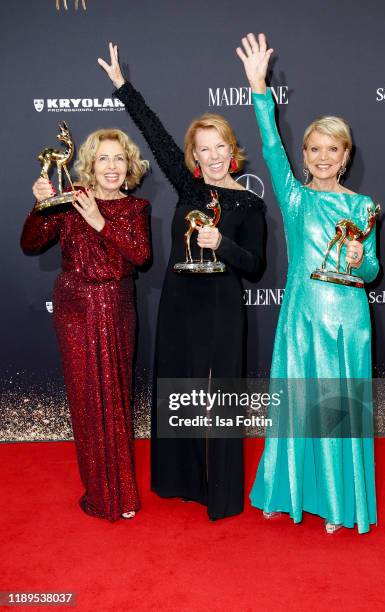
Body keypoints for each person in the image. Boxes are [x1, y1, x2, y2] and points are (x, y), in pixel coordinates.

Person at [98, 43, 265, 520]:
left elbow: (255, 265)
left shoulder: (250, 204)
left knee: (221, 401)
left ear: (233, 151)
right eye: (203, 148)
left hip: (222, 306)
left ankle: (223, 493)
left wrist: (222, 245)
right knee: (178, 389)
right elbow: (155, 135)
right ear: (194, 154)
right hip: (178, 301)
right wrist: (123, 88)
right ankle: (181, 481)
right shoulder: (189, 187)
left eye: (221, 147)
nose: (213, 156)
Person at [237, 33, 378, 534]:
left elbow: (372, 272)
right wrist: (258, 87)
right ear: (305, 153)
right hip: (301, 316)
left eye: (331, 149)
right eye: (314, 148)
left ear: (345, 155)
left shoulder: (362, 208)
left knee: (340, 409)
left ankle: (341, 505)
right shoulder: (294, 198)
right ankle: (287, 492)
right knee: (298, 406)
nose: (322, 157)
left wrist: (361, 259)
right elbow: (270, 145)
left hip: (348, 323)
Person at [21, 129, 151, 521]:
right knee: (84, 400)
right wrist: (39, 205)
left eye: (119, 159)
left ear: (129, 165)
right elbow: (31, 244)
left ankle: (122, 496)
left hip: (114, 305)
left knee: (114, 397)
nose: (111, 167)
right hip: (73, 308)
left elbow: (140, 255)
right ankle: (98, 492)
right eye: (103, 159)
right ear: (90, 164)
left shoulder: (136, 207)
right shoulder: (69, 199)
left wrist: (99, 221)